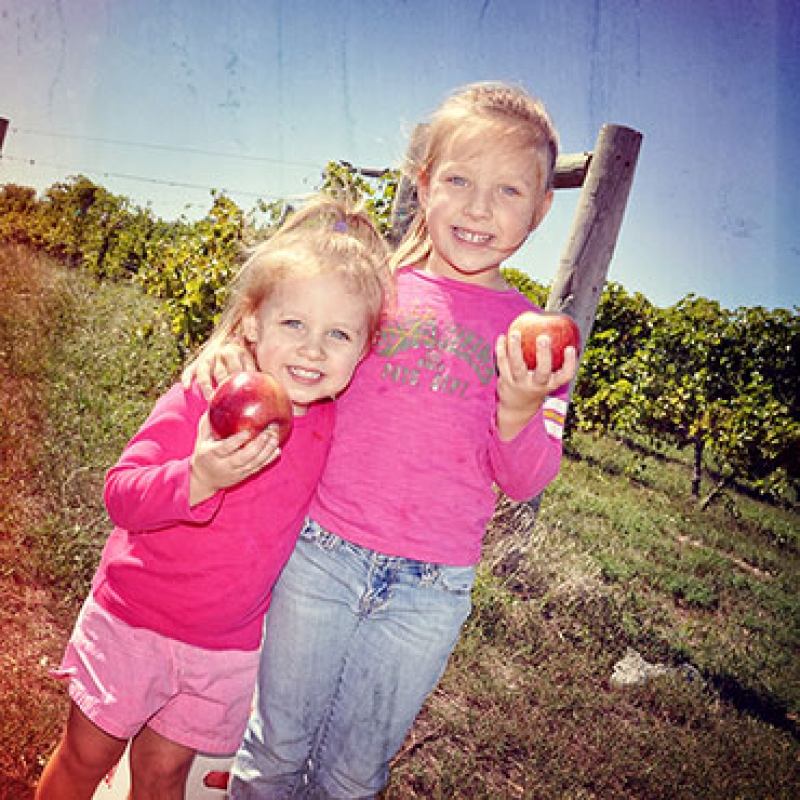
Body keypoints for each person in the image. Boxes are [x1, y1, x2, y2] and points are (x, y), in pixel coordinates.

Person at [190, 81, 579, 798]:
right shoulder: (374, 294)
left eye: (507, 191)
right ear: (423, 182)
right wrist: (234, 363)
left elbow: (526, 479)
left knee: (351, 774)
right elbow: (295, 365)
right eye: (458, 180)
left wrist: (520, 409)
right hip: (322, 557)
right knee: (275, 747)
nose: (478, 209)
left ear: (542, 207)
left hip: (429, 592)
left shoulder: (536, 343)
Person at [34, 195, 393, 800]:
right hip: (133, 621)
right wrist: (197, 477)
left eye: (339, 334)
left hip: (223, 647)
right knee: (86, 757)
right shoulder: (206, 397)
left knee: (165, 775)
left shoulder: (334, 425)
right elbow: (121, 496)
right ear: (252, 323)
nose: (313, 350)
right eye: (294, 324)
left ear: (363, 349)